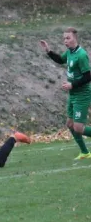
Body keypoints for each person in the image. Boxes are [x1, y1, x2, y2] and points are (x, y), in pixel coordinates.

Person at [40, 27, 91, 160]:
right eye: (64, 38)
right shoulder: (69, 53)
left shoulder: (81, 55)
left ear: (75, 38)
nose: (65, 41)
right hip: (73, 95)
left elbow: (88, 76)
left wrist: (72, 84)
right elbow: (60, 60)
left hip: (82, 95)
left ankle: (85, 152)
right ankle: (85, 152)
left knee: (79, 128)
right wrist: (48, 51)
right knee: (70, 124)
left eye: (68, 38)